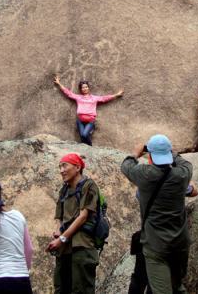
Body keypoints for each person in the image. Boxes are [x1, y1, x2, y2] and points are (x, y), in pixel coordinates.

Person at [121, 134, 192, 294]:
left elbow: (126, 165)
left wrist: (136, 152)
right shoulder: (182, 174)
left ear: (150, 156)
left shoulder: (144, 174)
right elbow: (184, 162)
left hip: (156, 245)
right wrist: (169, 151)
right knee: (177, 288)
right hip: (180, 243)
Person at [47, 153, 101, 294]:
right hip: (64, 249)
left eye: (65, 165)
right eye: (60, 167)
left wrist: (62, 238)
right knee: (60, 288)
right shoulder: (64, 190)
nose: (61, 170)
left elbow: (83, 216)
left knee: (81, 289)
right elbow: (59, 217)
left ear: (77, 167)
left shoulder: (89, 186)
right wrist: (58, 232)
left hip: (81, 246)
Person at [54, 75, 123, 146]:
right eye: (83, 88)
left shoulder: (94, 98)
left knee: (84, 135)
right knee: (82, 137)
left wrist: (116, 95)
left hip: (90, 121)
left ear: (88, 88)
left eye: (86, 87)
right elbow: (68, 93)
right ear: (81, 89)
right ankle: (86, 151)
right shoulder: (78, 97)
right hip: (80, 120)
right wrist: (59, 84)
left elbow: (104, 98)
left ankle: (90, 147)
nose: (85, 89)